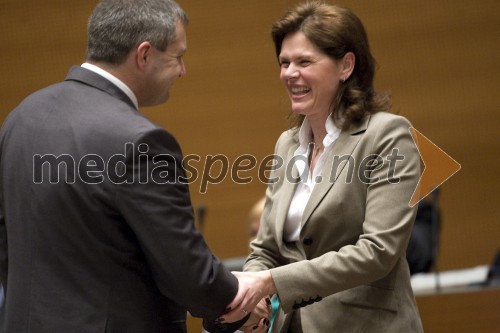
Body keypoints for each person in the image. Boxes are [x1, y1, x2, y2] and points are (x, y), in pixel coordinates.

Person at [0, 0, 265, 332]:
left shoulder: (22, 117)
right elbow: (187, 275)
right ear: (144, 55)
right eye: (177, 56)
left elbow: (7, 242)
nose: (182, 70)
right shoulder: (140, 141)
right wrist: (240, 301)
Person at [220, 2, 424, 332]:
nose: (289, 73)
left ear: (345, 65)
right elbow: (266, 248)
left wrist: (270, 282)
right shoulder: (287, 145)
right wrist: (255, 299)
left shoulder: (388, 135)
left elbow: (378, 252)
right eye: (284, 62)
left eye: (304, 62)